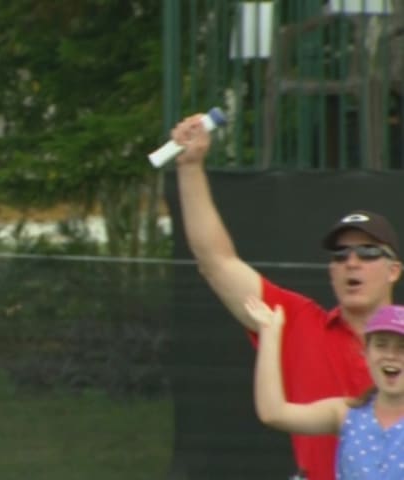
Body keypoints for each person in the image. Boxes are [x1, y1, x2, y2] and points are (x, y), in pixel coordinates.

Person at [170, 113, 402, 480]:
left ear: (394, 270)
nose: (351, 263)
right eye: (340, 256)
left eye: (368, 253)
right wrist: (190, 167)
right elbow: (216, 262)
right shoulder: (293, 321)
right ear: (330, 271)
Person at [245, 297, 404, 480]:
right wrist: (269, 333)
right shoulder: (347, 413)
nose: (391, 355)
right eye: (381, 345)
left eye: (402, 347)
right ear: (366, 353)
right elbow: (273, 413)